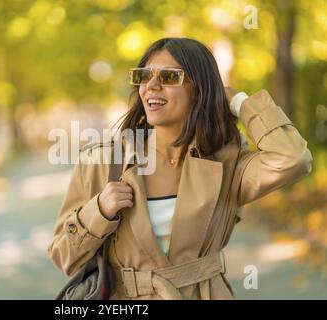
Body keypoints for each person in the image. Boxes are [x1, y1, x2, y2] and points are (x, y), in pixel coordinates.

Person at [47, 37, 313, 299]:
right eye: (144, 76)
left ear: (199, 89)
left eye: (169, 77)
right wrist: (100, 211)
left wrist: (240, 102)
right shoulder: (102, 163)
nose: (151, 86)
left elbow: (293, 158)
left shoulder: (226, 165)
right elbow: (63, 256)